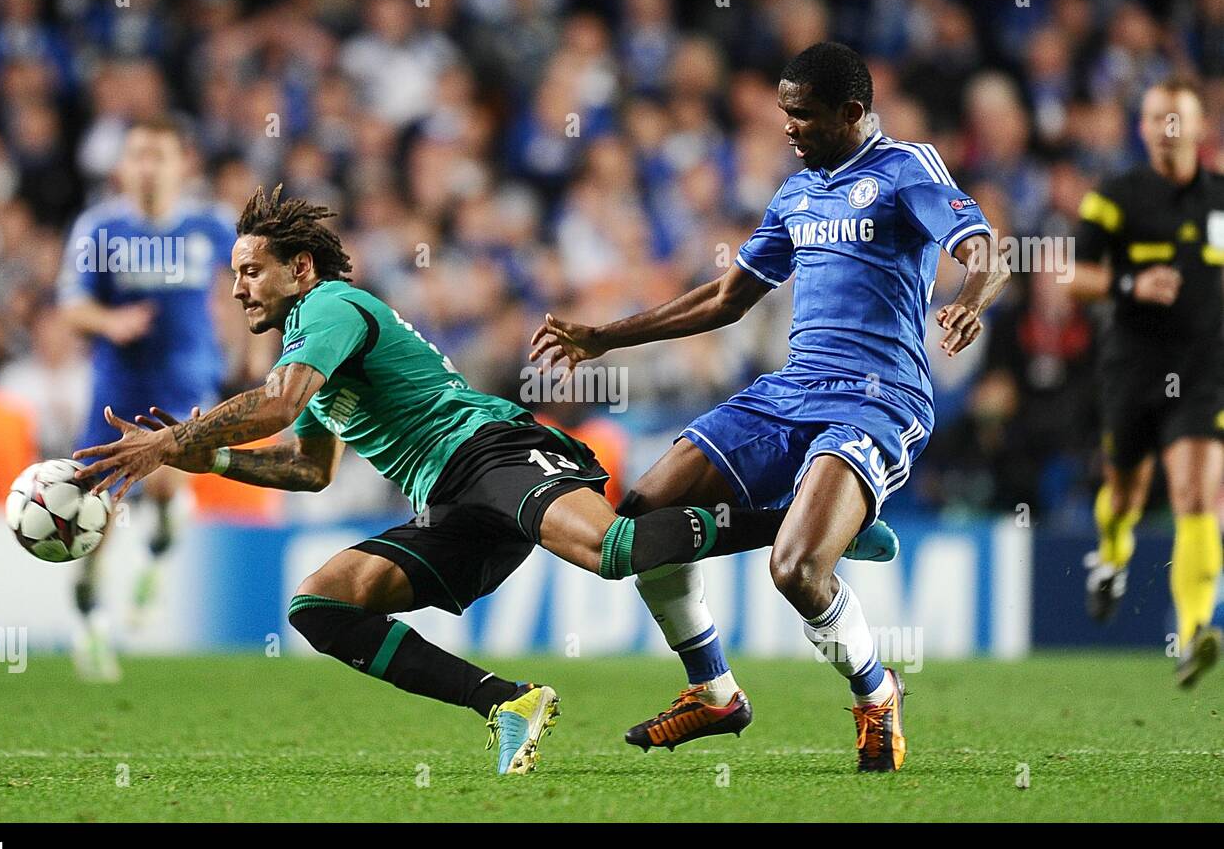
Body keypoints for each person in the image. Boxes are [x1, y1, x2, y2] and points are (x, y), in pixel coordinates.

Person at [73, 185, 834, 776]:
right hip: (449, 498)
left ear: (298, 269)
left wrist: (173, 441)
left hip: (489, 450)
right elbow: (310, 467)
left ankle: (809, 522)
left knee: (614, 549)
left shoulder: (330, 306)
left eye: (250, 271)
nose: (238, 289)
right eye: (233, 275)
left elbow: (277, 404)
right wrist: (217, 460)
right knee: (321, 604)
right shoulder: (308, 341)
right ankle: (508, 702)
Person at [531, 42, 1007, 771]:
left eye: (802, 116)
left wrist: (970, 300)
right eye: (783, 113)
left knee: (794, 572)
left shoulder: (904, 169)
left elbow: (985, 250)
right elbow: (727, 297)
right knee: (642, 523)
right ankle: (714, 691)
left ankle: (877, 692)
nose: (787, 128)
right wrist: (606, 336)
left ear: (851, 113)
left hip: (876, 398)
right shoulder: (796, 193)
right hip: (790, 390)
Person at [57, 116, 237, 680]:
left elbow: (251, 283)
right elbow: (71, 304)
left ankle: (161, 540)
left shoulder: (211, 225)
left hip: (186, 384)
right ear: (122, 167)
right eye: (137, 155)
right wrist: (110, 321)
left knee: (164, 479)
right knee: (96, 518)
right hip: (117, 392)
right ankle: (91, 619)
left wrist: (255, 346)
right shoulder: (99, 228)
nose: (147, 166)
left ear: (183, 163)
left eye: (158, 154)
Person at [1069, 77, 1224, 687]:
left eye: (1178, 119)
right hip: (1133, 368)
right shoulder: (1116, 197)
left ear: (1199, 128)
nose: (1168, 129)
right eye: (1158, 118)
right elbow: (1068, 274)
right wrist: (1132, 284)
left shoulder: (1221, 200)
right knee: (1126, 497)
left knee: (1195, 496)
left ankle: (1192, 631)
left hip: (1206, 372)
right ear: (1142, 127)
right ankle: (1110, 557)